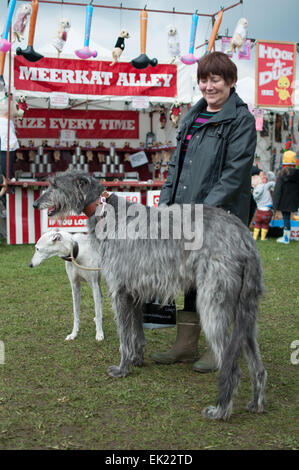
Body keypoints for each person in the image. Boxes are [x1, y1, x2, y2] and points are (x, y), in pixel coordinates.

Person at [152, 51, 257, 373]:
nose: (208, 86)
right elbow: (175, 168)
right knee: (191, 279)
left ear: (231, 82)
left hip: (220, 217)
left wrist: (203, 212)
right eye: (203, 79)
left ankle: (219, 348)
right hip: (184, 213)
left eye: (216, 80)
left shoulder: (241, 120)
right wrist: (166, 206)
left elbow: (235, 173)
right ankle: (185, 346)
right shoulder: (190, 117)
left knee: (218, 283)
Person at [273, 150, 299, 244]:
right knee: (290, 218)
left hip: (284, 201)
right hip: (294, 201)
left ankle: (286, 238)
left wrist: (275, 204)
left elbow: (277, 190)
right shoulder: (297, 174)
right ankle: (288, 236)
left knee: (286, 219)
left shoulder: (281, 174)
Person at [252, 173, 275, 241]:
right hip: (267, 210)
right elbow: (272, 183)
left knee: (257, 224)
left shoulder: (254, 191)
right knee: (265, 224)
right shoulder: (265, 186)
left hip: (259, 211)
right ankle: (263, 238)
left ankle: (254, 237)